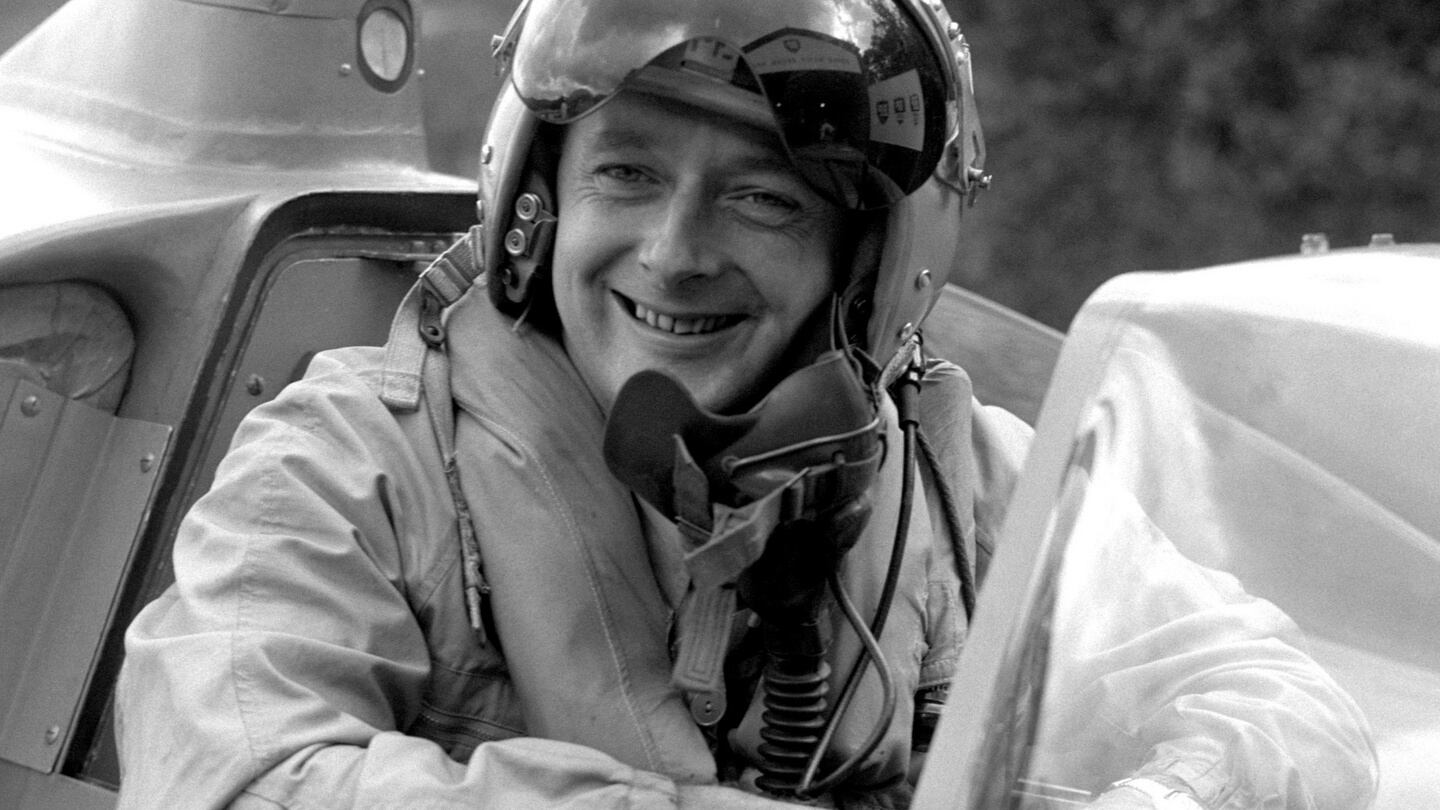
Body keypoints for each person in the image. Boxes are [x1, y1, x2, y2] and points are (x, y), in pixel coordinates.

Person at [113, 0, 1375, 808]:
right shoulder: (355, 463)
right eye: (627, 172)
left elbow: (1280, 700)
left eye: (763, 199)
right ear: (537, 203)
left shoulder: (958, 474)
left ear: (868, 267)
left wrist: (1158, 801)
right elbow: (233, 769)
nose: (673, 251)